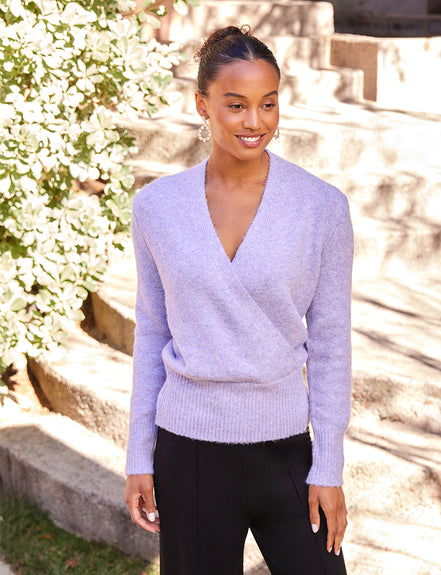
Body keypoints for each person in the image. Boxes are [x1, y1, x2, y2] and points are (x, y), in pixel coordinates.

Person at [124, 25, 353, 575]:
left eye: (268, 103)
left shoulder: (321, 207)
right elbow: (152, 332)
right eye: (236, 105)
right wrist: (138, 455)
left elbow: (331, 343)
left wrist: (328, 465)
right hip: (188, 451)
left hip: (286, 448)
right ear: (201, 105)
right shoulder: (157, 207)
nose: (255, 121)